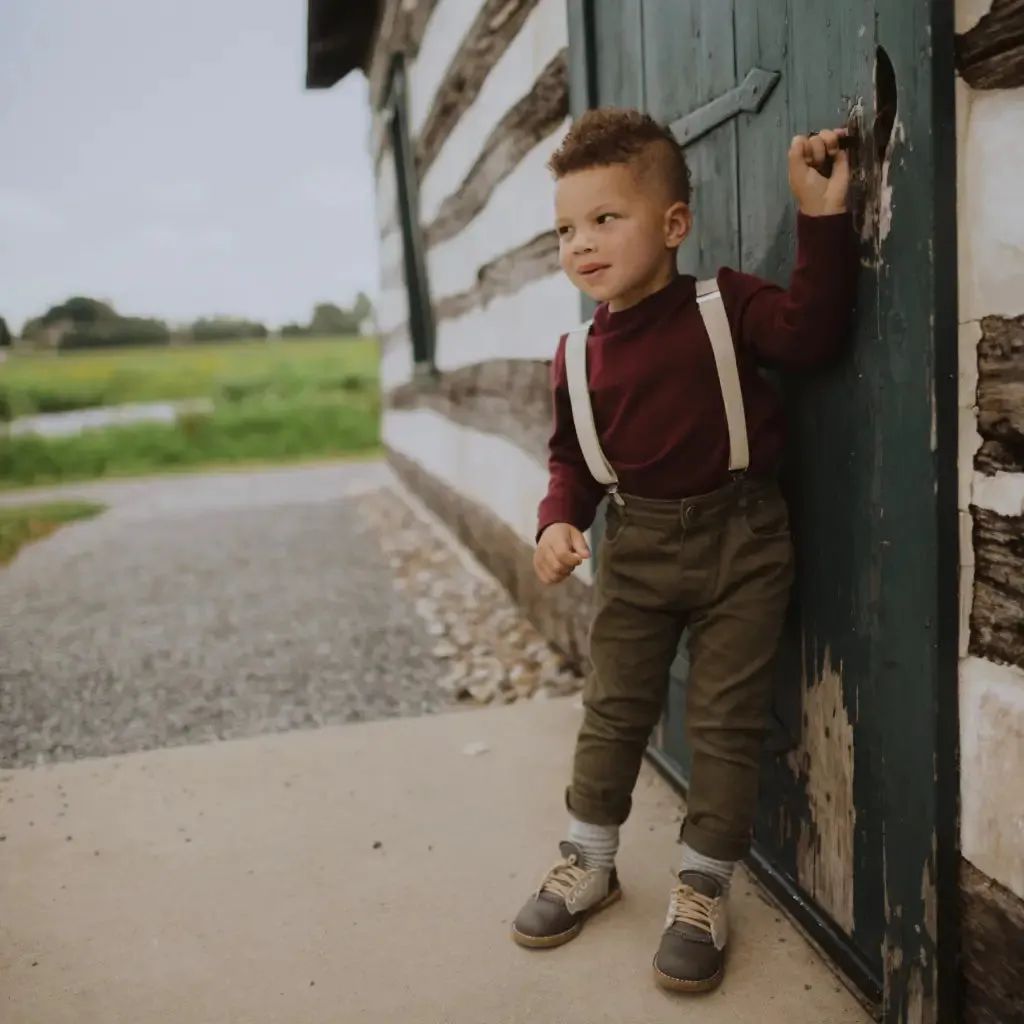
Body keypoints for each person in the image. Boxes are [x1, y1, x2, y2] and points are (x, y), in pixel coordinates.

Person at [510, 107, 857, 994]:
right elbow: (572, 459)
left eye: (603, 220)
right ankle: (588, 857)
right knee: (616, 707)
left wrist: (819, 218)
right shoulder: (577, 353)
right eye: (565, 229)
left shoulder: (723, 305)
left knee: (724, 722)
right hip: (637, 548)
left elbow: (810, 338)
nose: (580, 244)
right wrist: (559, 520)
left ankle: (703, 883)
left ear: (673, 224)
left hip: (743, 540)